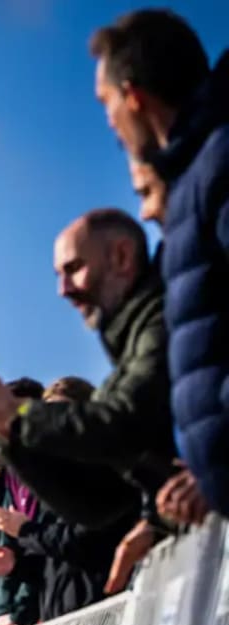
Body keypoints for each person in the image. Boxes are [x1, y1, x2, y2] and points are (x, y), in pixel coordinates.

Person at [89, 10, 229, 522]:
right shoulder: (198, 176)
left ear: (133, 96)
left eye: (105, 103)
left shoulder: (219, 164)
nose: (108, 122)